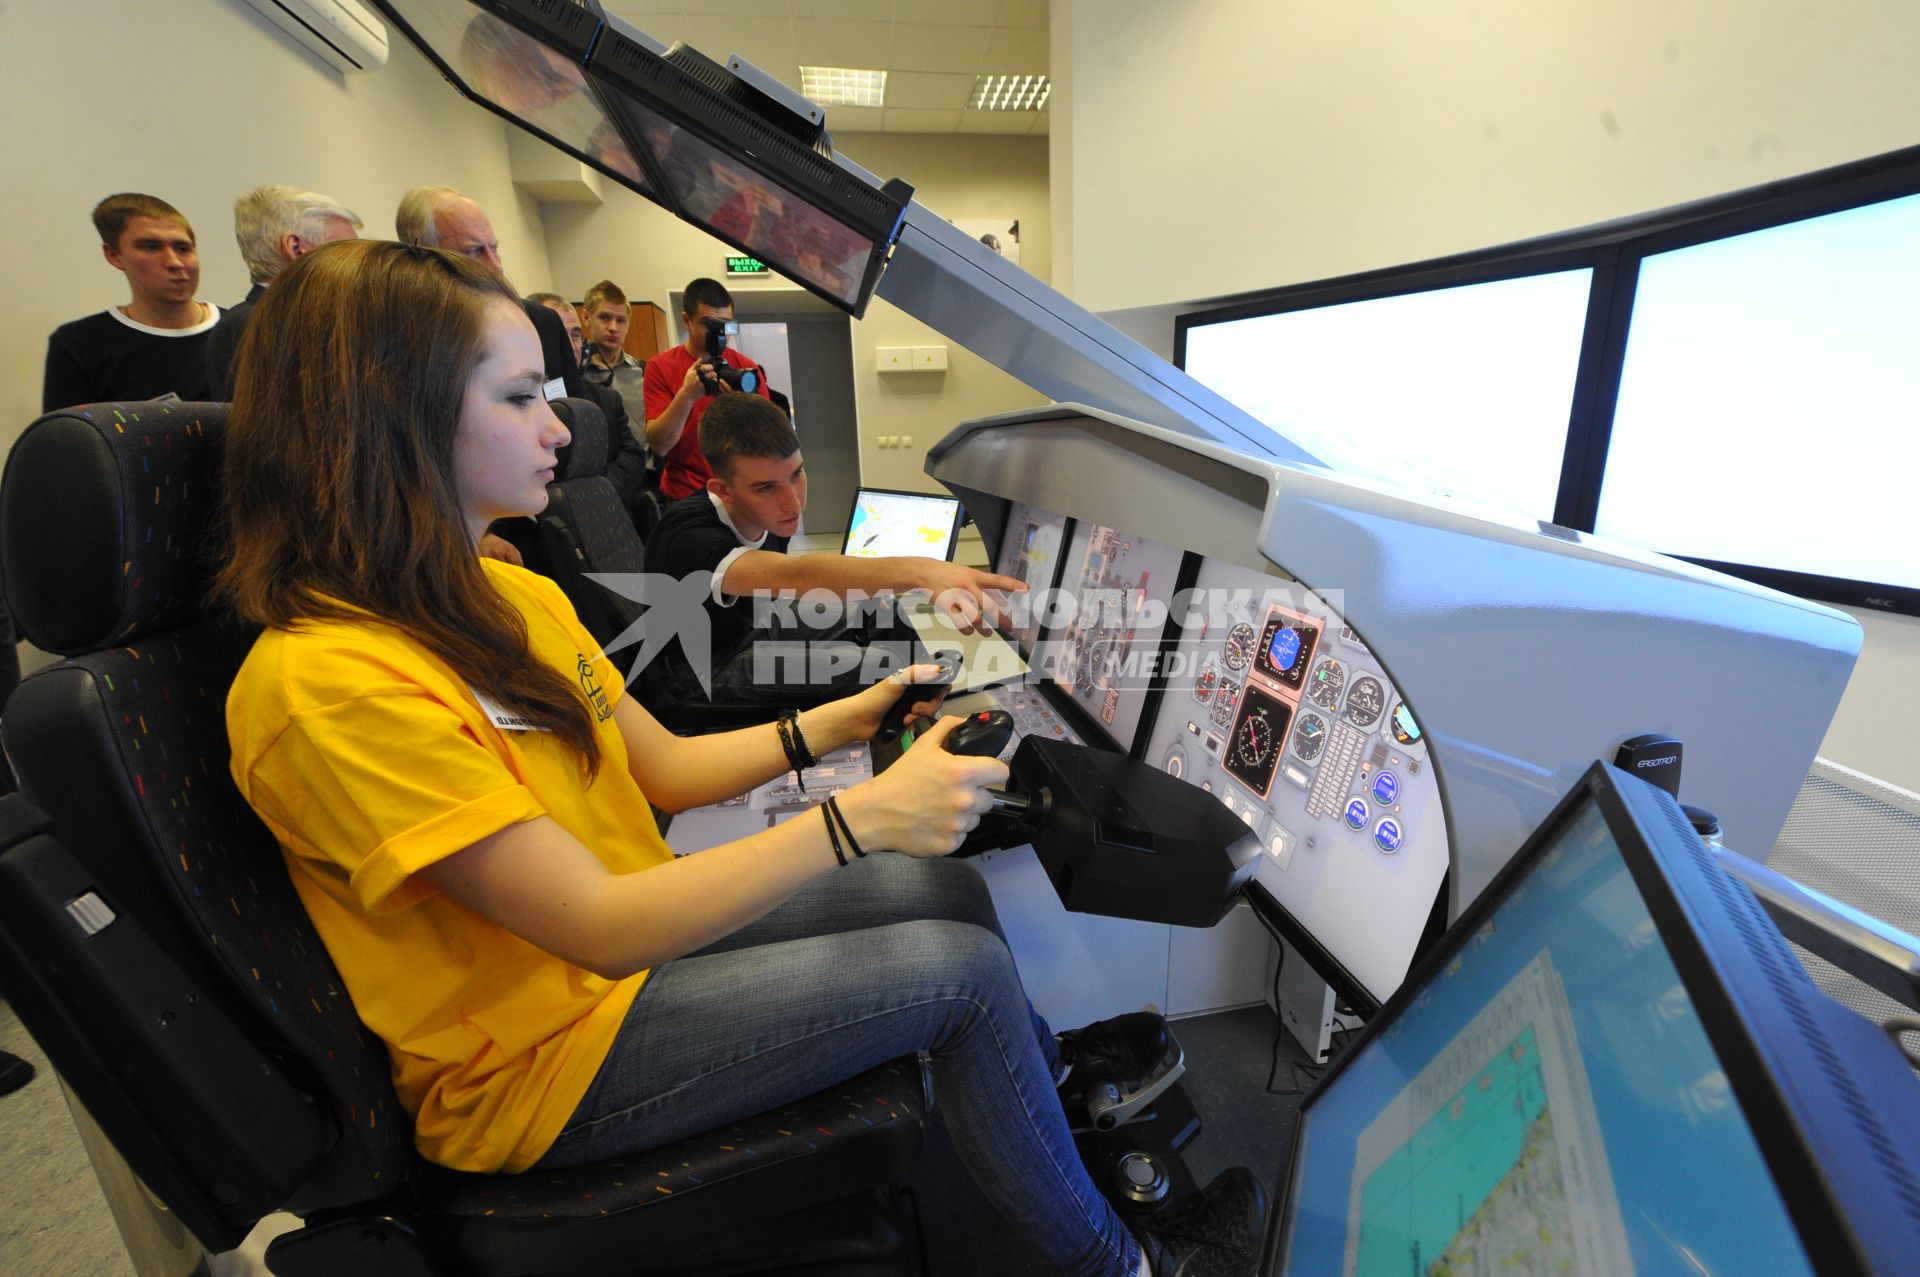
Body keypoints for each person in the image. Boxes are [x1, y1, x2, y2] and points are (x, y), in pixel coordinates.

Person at [216, 239, 1261, 1277]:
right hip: (542, 1067)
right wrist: (859, 820)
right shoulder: (327, 684)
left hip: (615, 960)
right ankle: (1122, 1264)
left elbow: (662, 770)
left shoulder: (509, 599)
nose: (562, 426)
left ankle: (1045, 1109)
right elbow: (598, 926)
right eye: (521, 397)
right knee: (963, 976)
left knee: (942, 889)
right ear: (396, 419)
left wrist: (850, 719)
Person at [644, 392, 1024, 704]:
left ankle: (923, 699)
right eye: (766, 488)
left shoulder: (766, 511)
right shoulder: (687, 534)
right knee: (873, 665)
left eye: (796, 474)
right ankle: (903, 728)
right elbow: (794, 575)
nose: (793, 503)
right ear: (722, 490)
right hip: (701, 670)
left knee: (882, 610)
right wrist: (922, 570)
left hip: (756, 627)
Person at [396, 186, 648, 550]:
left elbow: (572, 418)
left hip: (554, 512)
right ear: (421, 251)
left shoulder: (540, 322)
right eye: (473, 251)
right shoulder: (404, 339)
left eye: (494, 248)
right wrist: (480, 532)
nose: (495, 265)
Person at [43, 194, 221, 412]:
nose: (174, 262)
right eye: (151, 247)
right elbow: (67, 441)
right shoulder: (80, 344)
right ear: (114, 255)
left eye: (183, 248)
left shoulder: (244, 329)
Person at [206, 186, 362, 399]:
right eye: (346, 251)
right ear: (296, 248)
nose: (360, 265)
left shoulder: (295, 319)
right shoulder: (256, 324)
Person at [642, 277, 771, 501]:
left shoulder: (747, 369)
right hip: (686, 496)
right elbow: (660, 446)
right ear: (686, 320)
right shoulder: (660, 367)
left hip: (739, 494)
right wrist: (686, 396)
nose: (719, 334)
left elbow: (769, 441)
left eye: (726, 325)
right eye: (708, 324)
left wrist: (740, 410)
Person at [578, 279, 647, 429]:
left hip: (642, 452)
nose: (613, 328)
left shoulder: (644, 371)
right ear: (586, 317)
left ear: (628, 324)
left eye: (621, 320)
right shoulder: (576, 374)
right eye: (604, 317)